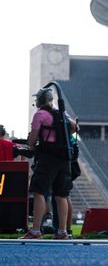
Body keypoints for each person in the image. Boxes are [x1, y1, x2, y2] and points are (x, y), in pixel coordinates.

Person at [20, 88, 76, 239]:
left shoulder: (40, 114)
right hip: (64, 159)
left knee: (39, 192)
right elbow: (75, 127)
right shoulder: (62, 114)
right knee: (61, 195)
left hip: (48, 158)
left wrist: (31, 146)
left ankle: (36, 230)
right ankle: (62, 232)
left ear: (39, 100)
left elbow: (32, 139)